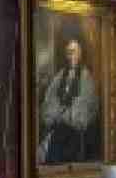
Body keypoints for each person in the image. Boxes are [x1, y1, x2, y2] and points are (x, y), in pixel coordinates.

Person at [39, 36, 101, 164]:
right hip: (58, 124)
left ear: (80, 54)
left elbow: (86, 102)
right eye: (69, 52)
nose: (71, 55)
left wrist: (67, 114)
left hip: (75, 129)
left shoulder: (86, 77)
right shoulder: (60, 75)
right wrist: (56, 112)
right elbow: (50, 98)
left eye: (74, 51)